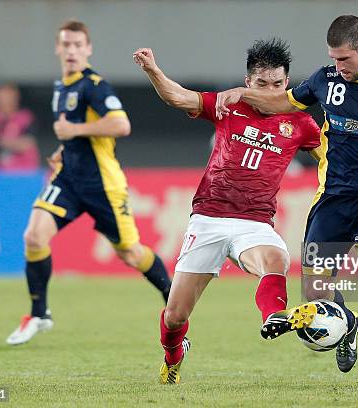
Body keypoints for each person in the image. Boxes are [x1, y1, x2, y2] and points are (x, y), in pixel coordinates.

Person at [215, 15, 358, 392]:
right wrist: (243, 94)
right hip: (332, 199)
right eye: (334, 59)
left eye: (345, 59)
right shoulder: (324, 80)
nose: (338, 67)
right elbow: (283, 102)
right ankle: (348, 323)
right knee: (315, 291)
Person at [133, 38, 325, 384]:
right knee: (175, 316)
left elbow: (333, 159)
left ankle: (274, 316)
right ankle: (175, 354)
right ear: (249, 81)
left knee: (276, 259)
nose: (270, 91)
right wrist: (153, 71)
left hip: (255, 222)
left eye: (278, 85)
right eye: (262, 84)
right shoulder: (228, 105)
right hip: (208, 218)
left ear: (287, 83)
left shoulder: (300, 123)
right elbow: (178, 96)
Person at [6, 20, 172, 345]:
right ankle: (39, 314)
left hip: (103, 186)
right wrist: (62, 149)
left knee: (131, 253)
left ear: (88, 49)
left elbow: (121, 125)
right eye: (65, 44)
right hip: (68, 179)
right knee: (34, 236)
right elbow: (77, 133)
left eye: (77, 45)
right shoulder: (62, 87)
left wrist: (74, 132)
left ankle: (173, 297)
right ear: (58, 48)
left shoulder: (95, 86)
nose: (71, 51)